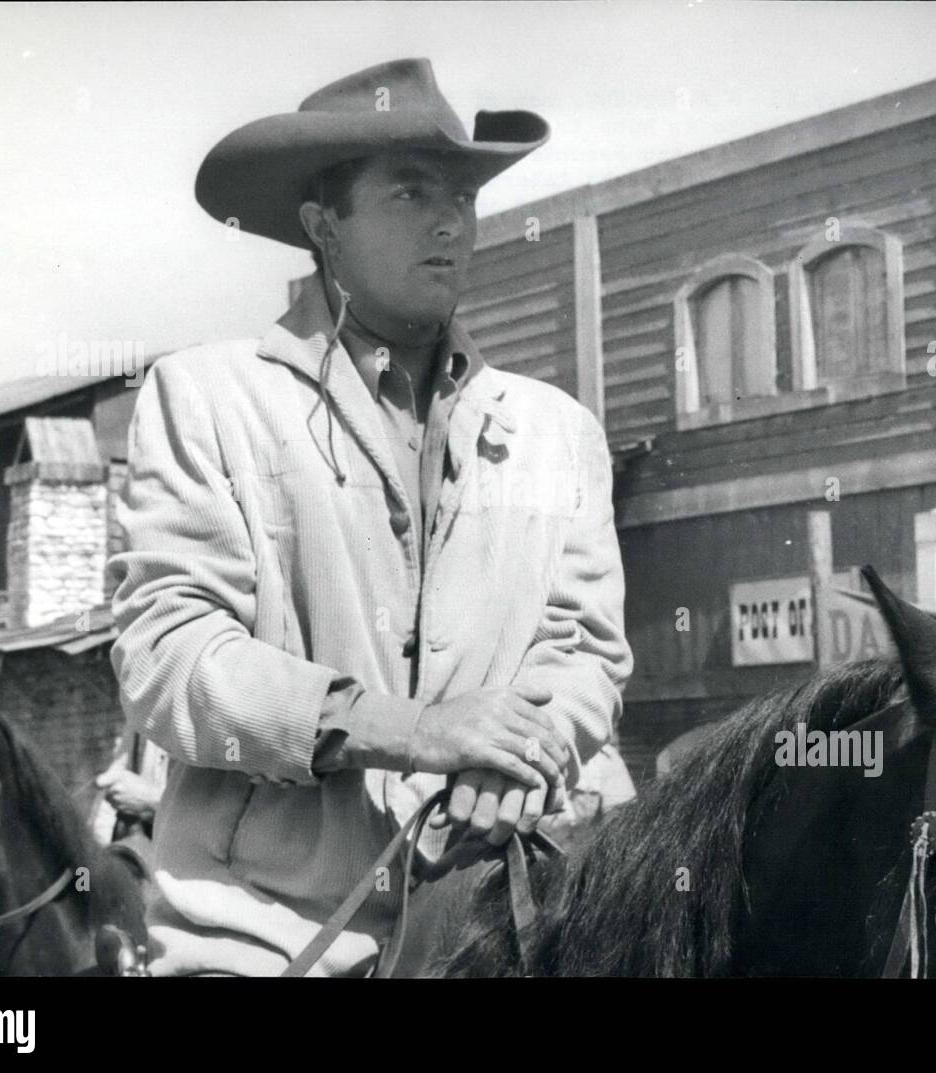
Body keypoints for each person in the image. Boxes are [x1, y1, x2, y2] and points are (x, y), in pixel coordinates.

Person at [108, 58, 633, 977]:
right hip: (262, 945)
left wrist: (512, 758)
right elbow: (170, 657)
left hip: (503, 928)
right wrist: (410, 729)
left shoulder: (558, 432)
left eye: (463, 197)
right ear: (324, 228)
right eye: (409, 192)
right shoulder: (208, 401)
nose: (449, 221)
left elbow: (585, 646)